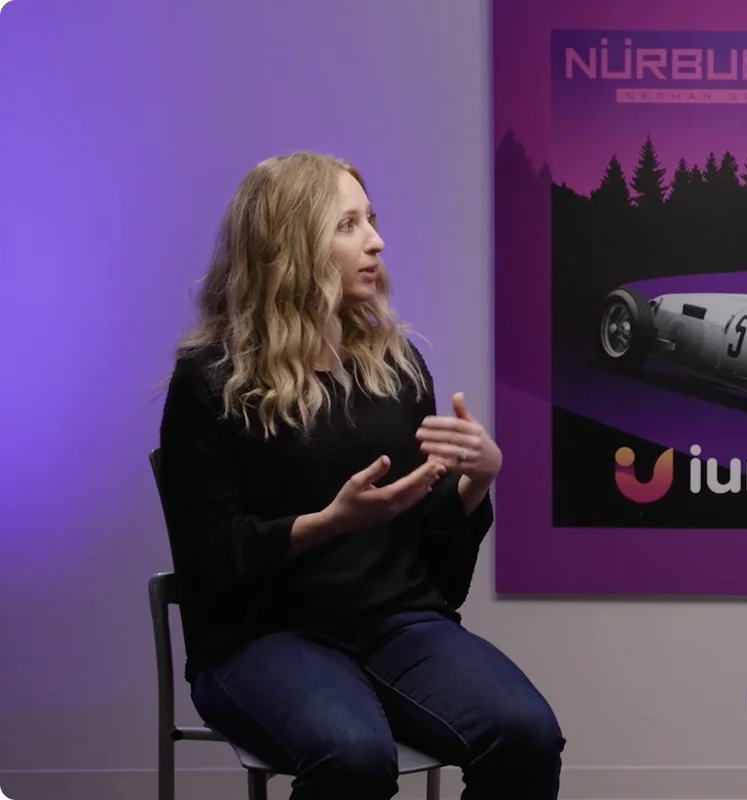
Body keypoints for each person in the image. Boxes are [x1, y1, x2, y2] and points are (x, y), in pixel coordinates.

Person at [156, 152, 564, 799]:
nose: (376, 241)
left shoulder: (395, 367)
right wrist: (326, 524)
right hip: (260, 638)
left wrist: (476, 482)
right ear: (288, 245)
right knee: (353, 758)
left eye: (370, 219)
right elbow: (209, 558)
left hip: (396, 625)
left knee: (527, 735)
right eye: (348, 224)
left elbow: (439, 579)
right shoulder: (209, 381)